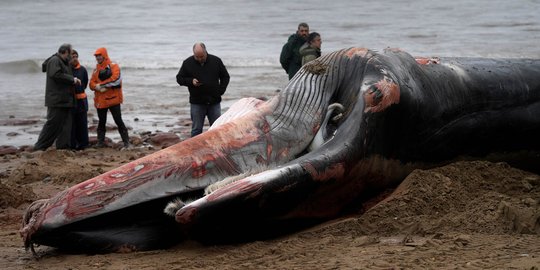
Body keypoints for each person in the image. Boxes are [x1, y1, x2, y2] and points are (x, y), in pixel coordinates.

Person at [176, 42, 230, 137]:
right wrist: (190, 81)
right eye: (197, 57)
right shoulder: (187, 63)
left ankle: (218, 149)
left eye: (202, 56)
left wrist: (221, 91)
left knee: (217, 129)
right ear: (193, 53)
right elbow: (179, 79)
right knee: (196, 129)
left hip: (214, 101)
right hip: (197, 102)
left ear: (206, 52)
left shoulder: (216, 61)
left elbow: (225, 77)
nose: (200, 59)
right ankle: (195, 150)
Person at [34, 43, 81, 151]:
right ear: (65, 52)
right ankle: (40, 147)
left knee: (65, 125)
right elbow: (55, 74)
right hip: (57, 99)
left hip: (65, 100)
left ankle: (63, 147)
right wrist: (72, 79)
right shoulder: (55, 60)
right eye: (71, 52)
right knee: (52, 124)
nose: (72, 54)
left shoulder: (63, 61)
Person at [89, 47, 130, 148]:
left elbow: (115, 79)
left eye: (99, 55)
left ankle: (127, 143)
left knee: (118, 121)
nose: (98, 58)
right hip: (101, 100)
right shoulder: (96, 70)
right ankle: (100, 143)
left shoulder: (114, 66)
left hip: (113, 100)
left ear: (104, 55)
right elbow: (91, 84)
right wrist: (96, 87)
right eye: (96, 56)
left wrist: (100, 85)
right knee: (101, 122)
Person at [69, 49, 89, 150]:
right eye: (73, 57)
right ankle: (73, 144)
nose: (75, 59)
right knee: (72, 124)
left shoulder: (83, 69)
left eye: (76, 57)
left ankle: (84, 144)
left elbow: (85, 83)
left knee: (83, 123)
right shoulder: (67, 70)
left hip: (82, 100)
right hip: (71, 101)